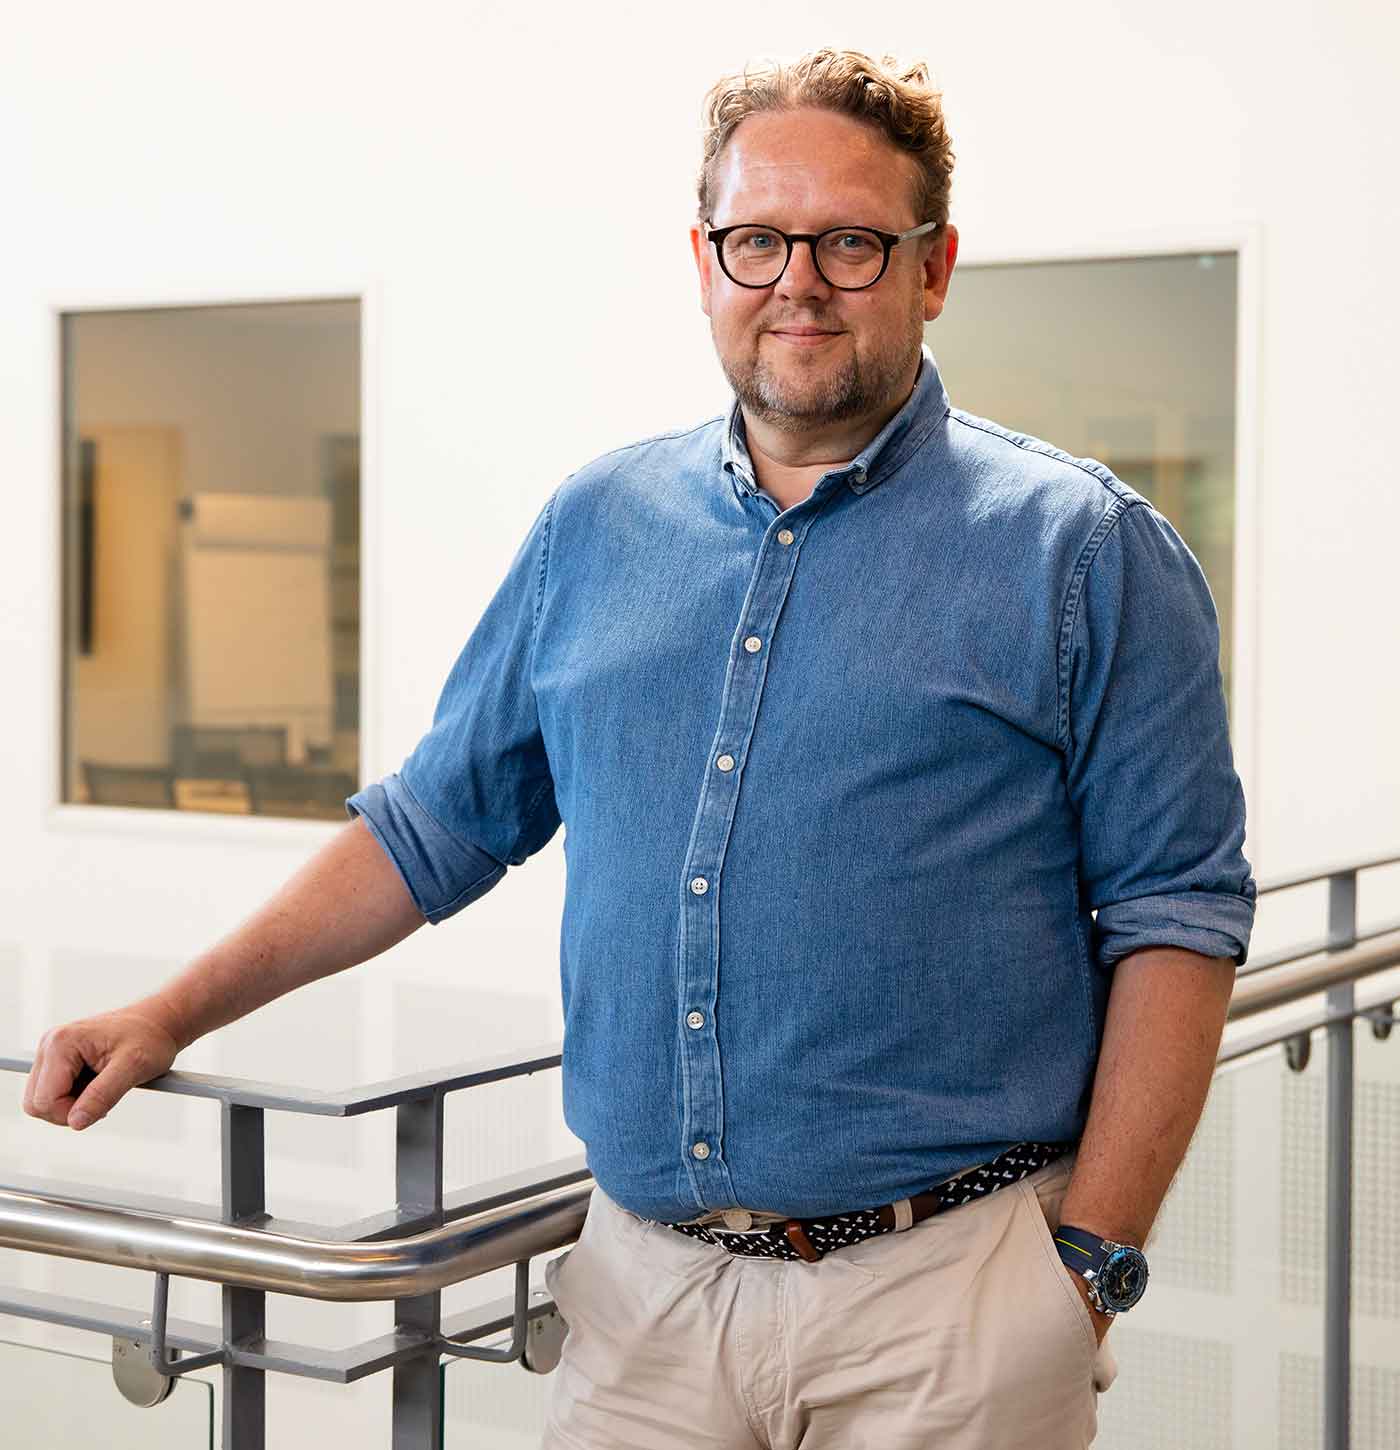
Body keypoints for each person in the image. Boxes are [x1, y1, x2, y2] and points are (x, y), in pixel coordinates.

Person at [23, 48, 1255, 1450]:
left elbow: (1178, 917)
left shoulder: (1081, 551)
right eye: (757, 239)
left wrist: (1088, 1267)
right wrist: (171, 1013)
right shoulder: (592, 528)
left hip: (952, 1304)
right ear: (705, 258)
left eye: (851, 240)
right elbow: (431, 829)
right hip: (643, 1305)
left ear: (933, 267)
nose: (798, 277)